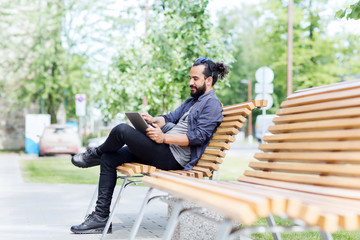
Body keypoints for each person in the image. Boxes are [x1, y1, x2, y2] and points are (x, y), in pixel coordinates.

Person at [70, 58, 229, 234]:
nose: (190, 82)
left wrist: (163, 138)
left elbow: (198, 137)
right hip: (163, 148)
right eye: (190, 78)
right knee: (110, 158)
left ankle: (94, 154)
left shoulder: (212, 104)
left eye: (195, 79)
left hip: (173, 157)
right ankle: (100, 218)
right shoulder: (192, 101)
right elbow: (169, 118)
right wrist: (154, 120)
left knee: (122, 130)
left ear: (208, 80)